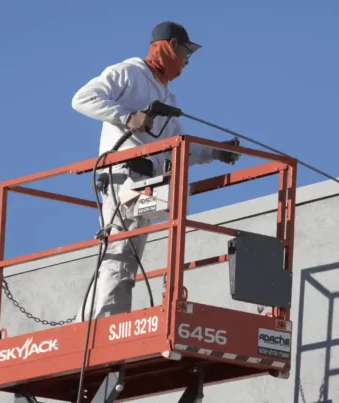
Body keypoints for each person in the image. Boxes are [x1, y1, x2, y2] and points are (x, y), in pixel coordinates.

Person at [71, 21, 239, 322]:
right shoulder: (130, 72)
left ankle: (99, 326)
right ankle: (99, 330)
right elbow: (82, 99)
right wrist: (127, 116)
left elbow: (178, 146)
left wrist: (216, 151)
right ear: (171, 46)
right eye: (186, 53)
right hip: (123, 177)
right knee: (119, 258)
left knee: (126, 261)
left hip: (145, 181)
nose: (186, 62)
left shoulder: (167, 98)